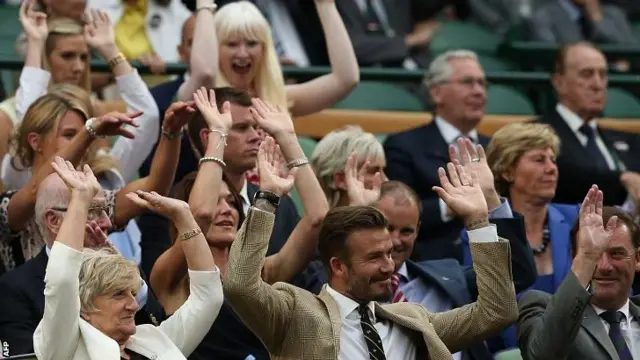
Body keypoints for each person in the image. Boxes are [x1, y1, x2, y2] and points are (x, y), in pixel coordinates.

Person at [224, 158, 518, 359]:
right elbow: (239, 284)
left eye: (389, 253)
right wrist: (267, 200)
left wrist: (479, 221)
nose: (390, 266)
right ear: (338, 266)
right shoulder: (294, 313)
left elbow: (497, 312)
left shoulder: (413, 320)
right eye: (375, 257)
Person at [150, 89, 328, 359]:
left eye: (232, 203)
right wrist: (219, 132)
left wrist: (288, 140)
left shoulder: (261, 274)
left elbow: (318, 219)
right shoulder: (172, 275)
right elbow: (199, 215)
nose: (225, 210)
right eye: (217, 201)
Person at [33, 156, 223, 360]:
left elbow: (209, 297)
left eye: (132, 293)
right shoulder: (64, 347)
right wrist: (80, 198)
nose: (133, 305)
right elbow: (61, 280)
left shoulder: (153, 341)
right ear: (84, 307)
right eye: (118, 294)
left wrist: (184, 217)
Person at [0, 88, 186, 273]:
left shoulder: (96, 204)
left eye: (83, 135)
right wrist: (89, 132)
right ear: (35, 141)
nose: (85, 146)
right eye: (70, 135)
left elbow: (153, 188)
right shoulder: (10, 206)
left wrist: (172, 132)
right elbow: (37, 190)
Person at [0, 172, 166, 356]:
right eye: (92, 211)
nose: (106, 222)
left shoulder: (122, 272)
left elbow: (159, 330)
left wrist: (132, 281)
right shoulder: (14, 289)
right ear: (54, 221)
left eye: (105, 210)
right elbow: (19, 355)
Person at [3, 3, 160, 185]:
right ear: (34, 141)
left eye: (91, 132)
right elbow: (29, 121)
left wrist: (110, 49)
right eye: (70, 134)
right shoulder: (11, 124)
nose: (79, 67)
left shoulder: (104, 176)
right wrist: (36, 44)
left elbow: (148, 118)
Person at [384, 49, 491, 262]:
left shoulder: (496, 147)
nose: (479, 91)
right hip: (432, 263)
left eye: (482, 83)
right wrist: (453, 204)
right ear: (436, 93)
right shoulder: (403, 146)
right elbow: (394, 216)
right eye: (468, 82)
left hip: (495, 258)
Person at [517, 188, 640, 360]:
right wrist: (586, 258)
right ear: (575, 259)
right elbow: (543, 356)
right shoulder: (542, 309)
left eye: (616, 254)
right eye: (594, 255)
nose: (604, 266)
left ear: (637, 259)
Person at [534, 42, 640, 207]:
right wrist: (621, 180)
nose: (597, 84)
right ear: (559, 82)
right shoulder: (536, 134)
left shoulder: (628, 141)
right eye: (587, 74)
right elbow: (563, 175)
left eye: (603, 75)